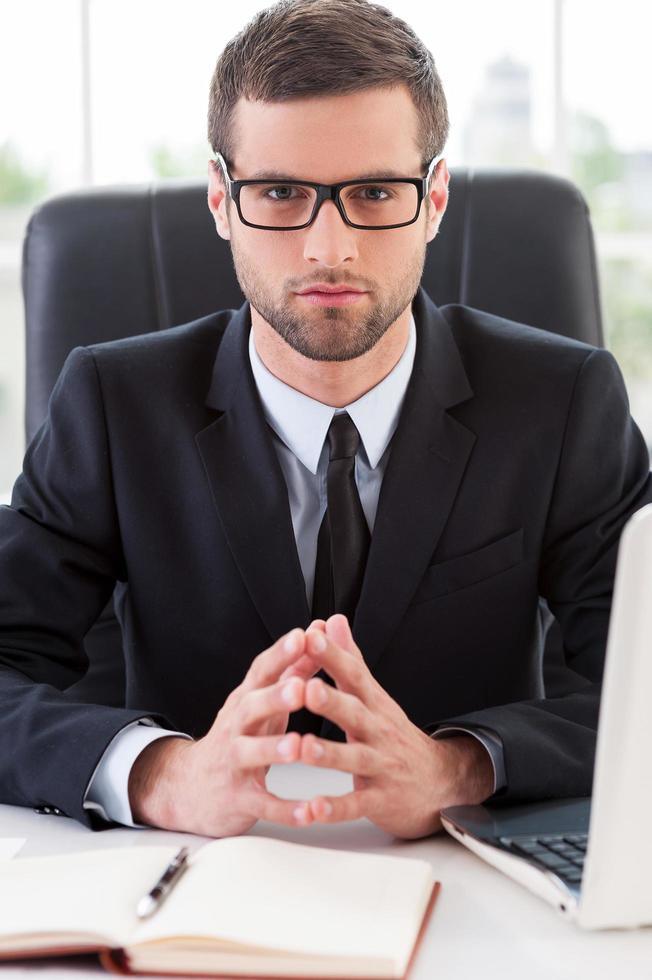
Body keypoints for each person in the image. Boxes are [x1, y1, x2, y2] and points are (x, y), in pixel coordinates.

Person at [0, 0, 650, 841]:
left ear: (436, 198)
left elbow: (641, 689)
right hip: (192, 884)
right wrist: (160, 774)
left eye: (376, 192)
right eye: (279, 193)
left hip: (471, 887)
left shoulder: (564, 403)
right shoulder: (111, 404)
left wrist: (462, 765)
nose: (327, 249)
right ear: (222, 201)